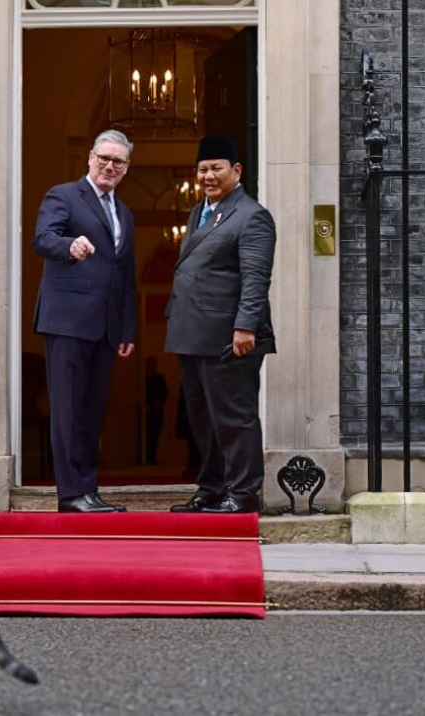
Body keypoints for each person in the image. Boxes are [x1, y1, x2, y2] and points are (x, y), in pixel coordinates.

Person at [165, 136, 276, 514]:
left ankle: (242, 493)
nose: (208, 176)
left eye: (216, 168)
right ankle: (211, 487)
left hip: (230, 336)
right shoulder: (199, 211)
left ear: (236, 171)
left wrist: (245, 326)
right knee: (202, 418)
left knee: (233, 416)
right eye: (202, 169)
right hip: (193, 333)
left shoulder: (251, 215)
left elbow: (256, 276)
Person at [32, 129, 138, 513]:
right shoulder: (63, 195)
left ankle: (88, 489)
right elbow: (43, 237)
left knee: (92, 411)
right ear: (90, 158)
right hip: (67, 321)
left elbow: (125, 276)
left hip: (106, 327)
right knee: (68, 409)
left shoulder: (123, 212)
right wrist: (68, 246)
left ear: (127, 168)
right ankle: (71, 493)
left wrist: (127, 328)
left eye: (118, 161)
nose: (110, 166)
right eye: (104, 158)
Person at [143, 356, 168, 465]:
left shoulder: (159, 378)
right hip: (145, 411)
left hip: (157, 411)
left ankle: (152, 456)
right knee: (145, 434)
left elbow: (164, 393)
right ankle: (144, 456)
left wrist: (159, 403)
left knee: (155, 434)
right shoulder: (142, 379)